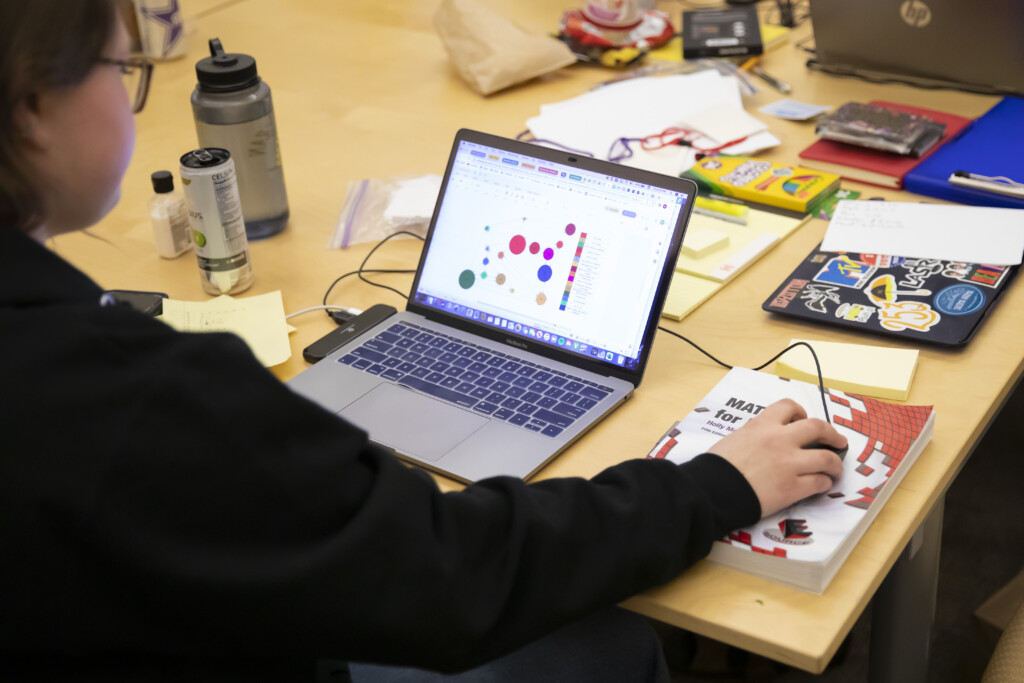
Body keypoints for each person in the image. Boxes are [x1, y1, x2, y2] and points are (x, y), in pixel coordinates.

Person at [0, 1, 847, 681]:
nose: (130, 93)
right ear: (34, 106)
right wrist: (710, 487)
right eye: (126, 70)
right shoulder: (129, 397)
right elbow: (452, 573)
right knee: (607, 645)